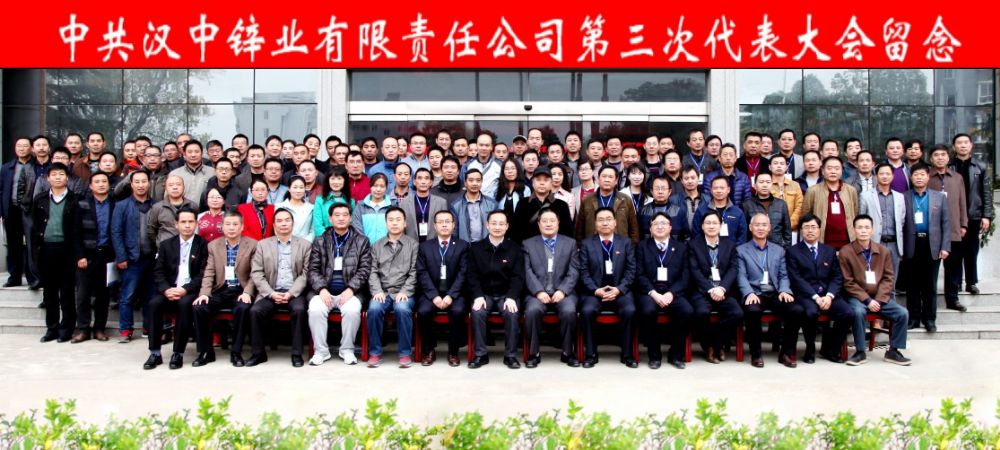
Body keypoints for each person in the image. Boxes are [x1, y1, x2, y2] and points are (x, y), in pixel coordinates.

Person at [839, 215, 912, 366]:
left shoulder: (883, 251)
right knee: (858, 312)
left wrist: (878, 300)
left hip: (879, 297)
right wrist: (867, 300)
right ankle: (860, 352)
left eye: (867, 227)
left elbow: (888, 278)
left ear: (872, 230)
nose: (863, 231)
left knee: (902, 313)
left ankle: (893, 351)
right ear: (854, 230)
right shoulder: (846, 252)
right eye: (860, 227)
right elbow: (848, 282)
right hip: (857, 297)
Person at [142, 207, 208, 370]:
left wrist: (185, 289)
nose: (187, 225)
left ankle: (178, 352)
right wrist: (166, 290)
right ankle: (155, 352)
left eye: (191, 222)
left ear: (196, 223)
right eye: (183, 222)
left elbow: (203, 273)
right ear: (176, 224)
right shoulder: (166, 245)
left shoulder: (203, 245)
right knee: (154, 304)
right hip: (170, 289)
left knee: (184, 305)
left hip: (190, 291)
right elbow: (158, 271)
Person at [735, 213, 804, 368]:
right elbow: (741, 276)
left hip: (775, 292)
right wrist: (749, 293)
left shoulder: (778, 250)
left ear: (769, 228)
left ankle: (786, 353)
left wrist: (784, 290)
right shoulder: (741, 250)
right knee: (752, 310)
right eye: (757, 225)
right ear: (750, 227)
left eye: (764, 225)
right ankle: (756, 354)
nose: (761, 228)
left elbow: (783, 275)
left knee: (797, 310)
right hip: (755, 292)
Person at [306, 203, 371, 366]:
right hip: (324, 291)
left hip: (351, 291)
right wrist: (321, 289)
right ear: (330, 218)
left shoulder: (361, 241)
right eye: (337, 215)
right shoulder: (320, 241)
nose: (341, 218)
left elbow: (364, 269)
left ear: (350, 218)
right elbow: (312, 269)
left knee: (352, 310)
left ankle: (347, 350)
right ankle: (321, 351)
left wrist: (351, 289)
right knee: (315, 309)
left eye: (345, 215)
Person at [785, 214, 855, 364]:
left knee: (847, 313)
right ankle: (810, 350)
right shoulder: (793, 251)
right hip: (806, 295)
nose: (810, 230)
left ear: (819, 229)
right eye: (806, 227)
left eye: (813, 227)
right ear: (801, 230)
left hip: (828, 294)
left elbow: (837, 276)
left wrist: (829, 296)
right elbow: (796, 278)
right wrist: (815, 297)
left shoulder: (829, 250)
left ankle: (832, 350)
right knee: (810, 313)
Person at [247, 208, 312, 367]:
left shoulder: (304, 245)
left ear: (293, 223)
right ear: (274, 224)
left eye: (287, 220)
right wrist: (270, 293)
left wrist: (291, 293)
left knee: (299, 310)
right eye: (279, 221)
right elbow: (257, 273)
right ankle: (258, 353)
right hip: (270, 291)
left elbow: (306, 273)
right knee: (255, 311)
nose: (283, 224)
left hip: (294, 293)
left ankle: (296, 354)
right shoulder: (263, 245)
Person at [193, 210, 257, 367]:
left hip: (240, 290)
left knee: (242, 308)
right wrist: (204, 293)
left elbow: (255, 273)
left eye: (235, 224)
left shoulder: (253, 244)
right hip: (220, 289)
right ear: (222, 226)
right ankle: (206, 352)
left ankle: (236, 352)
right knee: (199, 307)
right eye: (228, 224)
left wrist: (248, 292)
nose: (232, 228)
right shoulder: (214, 245)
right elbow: (209, 272)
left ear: (242, 227)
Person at [578, 207, 638, 368]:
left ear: (615, 222)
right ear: (595, 223)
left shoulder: (625, 243)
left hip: (620, 291)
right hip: (594, 292)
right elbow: (583, 272)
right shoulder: (586, 244)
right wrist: (595, 290)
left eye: (608, 219)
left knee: (630, 310)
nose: (605, 223)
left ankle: (627, 354)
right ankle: (591, 354)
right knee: (587, 311)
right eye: (601, 220)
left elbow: (631, 270)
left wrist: (619, 289)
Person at [522, 208, 581, 368]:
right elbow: (527, 270)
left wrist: (563, 290)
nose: (548, 224)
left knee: (569, 311)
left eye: (552, 221)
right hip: (537, 293)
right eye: (545, 221)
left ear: (558, 223)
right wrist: (538, 291)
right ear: (539, 224)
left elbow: (574, 270)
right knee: (532, 310)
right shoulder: (528, 244)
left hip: (563, 292)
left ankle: (567, 352)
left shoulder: (570, 243)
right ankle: (534, 353)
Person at [466, 210, 524, 369]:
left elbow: (518, 276)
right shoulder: (476, 248)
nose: (497, 227)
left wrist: (511, 297)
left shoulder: (515, 248)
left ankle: (510, 356)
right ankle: (480, 354)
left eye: (501, 224)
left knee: (512, 313)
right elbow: (471, 275)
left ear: (507, 226)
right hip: (484, 294)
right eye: (494, 223)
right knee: (477, 312)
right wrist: (478, 296)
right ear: (487, 225)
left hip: (506, 294)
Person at [635, 213, 692, 370]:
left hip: (672, 292)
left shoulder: (681, 247)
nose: (660, 226)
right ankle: (654, 355)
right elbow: (639, 274)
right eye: (656, 224)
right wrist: (653, 293)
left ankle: (676, 354)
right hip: (649, 292)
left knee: (686, 311)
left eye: (664, 223)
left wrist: (671, 293)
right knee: (648, 311)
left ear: (670, 227)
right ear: (650, 228)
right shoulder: (642, 247)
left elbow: (685, 276)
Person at [364, 207, 419, 368]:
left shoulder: (413, 245)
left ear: (405, 223)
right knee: (374, 309)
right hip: (383, 292)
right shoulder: (377, 245)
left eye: (398, 220)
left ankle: (405, 353)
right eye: (391, 220)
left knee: (402, 309)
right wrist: (377, 291)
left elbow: (415, 272)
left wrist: (405, 291)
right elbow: (372, 271)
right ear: (386, 223)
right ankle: (375, 352)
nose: (394, 223)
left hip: (404, 292)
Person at [687, 210, 744, 363]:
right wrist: (710, 289)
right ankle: (708, 346)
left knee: (737, 313)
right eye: (708, 223)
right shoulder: (693, 245)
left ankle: (716, 344)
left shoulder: (730, 245)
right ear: (702, 226)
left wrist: (722, 288)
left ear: (721, 225)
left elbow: (733, 269)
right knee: (701, 313)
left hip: (723, 290)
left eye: (715, 223)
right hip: (702, 291)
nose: (711, 226)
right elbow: (694, 271)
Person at [415, 210, 469, 367]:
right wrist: (434, 296)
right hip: (432, 293)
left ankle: (453, 351)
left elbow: (463, 273)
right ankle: (428, 350)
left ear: (453, 225)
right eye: (440, 222)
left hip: (455, 293)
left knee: (458, 311)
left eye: (448, 221)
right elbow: (422, 273)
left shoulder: (463, 246)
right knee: (423, 311)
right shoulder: (424, 247)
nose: (444, 225)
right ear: (434, 225)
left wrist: (451, 295)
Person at [33, 163, 80, 343]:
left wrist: (78, 254)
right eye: (54, 174)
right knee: (49, 293)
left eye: (61, 174)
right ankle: (51, 328)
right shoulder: (40, 199)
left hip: (66, 250)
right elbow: (35, 226)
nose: (58, 177)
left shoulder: (75, 199)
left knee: (67, 292)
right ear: (48, 178)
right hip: (46, 250)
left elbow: (77, 230)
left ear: (67, 178)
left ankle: (66, 329)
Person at [902, 163, 950, 332]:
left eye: (922, 174)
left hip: (932, 245)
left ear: (928, 177)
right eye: (916, 175)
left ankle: (929, 319)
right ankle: (913, 318)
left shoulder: (939, 197)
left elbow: (946, 223)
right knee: (912, 285)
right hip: (911, 245)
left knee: (930, 285)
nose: (919, 178)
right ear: (911, 178)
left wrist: (945, 247)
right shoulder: (904, 197)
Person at [111, 170, 155, 343]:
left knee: (150, 297)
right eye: (137, 182)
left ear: (149, 183)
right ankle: (125, 330)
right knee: (127, 296)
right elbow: (116, 232)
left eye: (144, 181)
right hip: (130, 258)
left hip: (151, 258)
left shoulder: (156, 205)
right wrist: (121, 257)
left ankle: (148, 327)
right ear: (131, 184)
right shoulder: (122, 205)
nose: (141, 185)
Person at [71, 171, 115, 343]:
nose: (101, 184)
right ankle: (83, 329)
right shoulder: (81, 204)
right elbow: (75, 232)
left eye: (104, 181)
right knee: (83, 295)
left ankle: (99, 329)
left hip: (107, 255)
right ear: (90, 186)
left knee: (103, 295)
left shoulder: (115, 205)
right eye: (97, 182)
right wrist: (79, 255)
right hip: (86, 256)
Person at [948, 133, 993, 295]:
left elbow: (986, 193)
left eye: (966, 142)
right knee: (955, 251)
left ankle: (971, 282)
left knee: (971, 250)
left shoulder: (980, 166)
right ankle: (956, 282)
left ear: (971, 145)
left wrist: (986, 215)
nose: (963, 145)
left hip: (973, 215)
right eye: (959, 143)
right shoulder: (949, 166)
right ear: (954, 147)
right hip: (954, 216)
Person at [927, 145, 969, 313]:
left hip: (953, 229)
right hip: (932, 232)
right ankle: (928, 301)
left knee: (953, 267)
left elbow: (962, 202)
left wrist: (963, 224)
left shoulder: (957, 178)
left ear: (948, 157)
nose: (940, 158)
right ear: (931, 159)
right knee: (931, 270)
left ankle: (952, 299)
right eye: (936, 155)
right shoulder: (926, 177)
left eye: (943, 155)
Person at [801, 157, 859, 249]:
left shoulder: (851, 190)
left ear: (842, 171)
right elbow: (805, 215)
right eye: (829, 168)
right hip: (822, 241)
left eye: (837, 168)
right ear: (823, 171)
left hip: (848, 241)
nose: (833, 171)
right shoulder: (813, 191)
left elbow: (855, 213)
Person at [0, 137, 35, 287]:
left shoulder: (36, 166)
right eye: (19, 146)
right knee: (13, 245)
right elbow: (1, 190)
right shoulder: (7, 167)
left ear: (31, 148)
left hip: (31, 211)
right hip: (12, 209)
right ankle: (14, 277)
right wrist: (2, 212)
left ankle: (32, 277)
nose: (21, 148)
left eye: (25, 146)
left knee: (32, 244)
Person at [575, 166, 640, 243]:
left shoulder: (625, 199)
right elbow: (579, 230)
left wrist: (632, 246)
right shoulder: (587, 200)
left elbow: (633, 229)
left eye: (610, 177)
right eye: (604, 176)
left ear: (616, 181)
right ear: (598, 179)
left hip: (620, 245)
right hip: (593, 245)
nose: (607, 180)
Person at [512, 168, 574, 241]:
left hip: (555, 246)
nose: (542, 183)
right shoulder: (523, 204)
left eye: (546, 180)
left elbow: (567, 233)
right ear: (533, 182)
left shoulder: (561, 205)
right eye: (538, 180)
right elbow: (516, 231)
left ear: (551, 183)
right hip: (528, 246)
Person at [692, 176, 748, 245]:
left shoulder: (737, 212)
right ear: (711, 190)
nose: (719, 191)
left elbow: (742, 236)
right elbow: (696, 234)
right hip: (706, 250)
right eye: (715, 188)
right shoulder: (701, 210)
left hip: (732, 250)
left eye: (722, 188)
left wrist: (734, 250)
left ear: (728, 190)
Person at [741, 172, 792, 248]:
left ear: (772, 184)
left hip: (778, 248)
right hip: (754, 248)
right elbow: (744, 232)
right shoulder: (747, 205)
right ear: (754, 185)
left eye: (768, 182)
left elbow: (787, 232)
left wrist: (785, 249)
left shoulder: (781, 204)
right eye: (761, 182)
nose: (765, 185)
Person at [148, 175, 197, 251]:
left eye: (178, 184)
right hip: (165, 250)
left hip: (189, 249)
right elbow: (151, 230)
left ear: (184, 187)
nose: (175, 187)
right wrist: (159, 242)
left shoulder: (192, 206)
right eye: (171, 185)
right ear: (165, 188)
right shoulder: (157, 207)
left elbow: (197, 227)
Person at [400, 168, 448, 243]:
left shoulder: (441, 202)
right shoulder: (404, 203)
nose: (423, 182)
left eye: (426, 178)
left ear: (431, 182)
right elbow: (401, 228)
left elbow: (445, 226)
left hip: (434, 244)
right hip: (411, 244)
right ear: (414, 182)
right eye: (419, 178)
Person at [451, 169, 497, 242]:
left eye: (478, 180)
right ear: (465, 183)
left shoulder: (492, 204)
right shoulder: (456, 205)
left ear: (481, 182)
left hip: (486, 246)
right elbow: (454, 230)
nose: (475, 183)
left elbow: (496, 227)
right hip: (464, 245)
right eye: (471, 180)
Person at [352, 173, 396, 244]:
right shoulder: (361, 206)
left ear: (386, 187)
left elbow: (396, 229)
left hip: (388, 248)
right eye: (375, 186)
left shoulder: (392, 206)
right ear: (370, 186)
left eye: (382, 186)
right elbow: (357, 229)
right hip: (365, 248)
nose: (378, 189)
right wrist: (365, 245)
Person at [312, 165, 354, 237]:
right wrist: (331, 239)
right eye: (332, 178)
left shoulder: (350, 201)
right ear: (328, 180)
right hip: (325, 240)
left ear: (344, 181)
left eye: (339, 178)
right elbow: (318, 226)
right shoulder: (320, 200)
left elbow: (352, 224)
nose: (336, 182)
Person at [169, 140, 215, 204]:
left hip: (205, 210)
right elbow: (168, 198)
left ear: (202, 154)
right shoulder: (174, 174)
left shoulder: (212, 172)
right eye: (190, 152)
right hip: (181, 210)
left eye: (196, 152)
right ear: (184, 155)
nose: (193, 155)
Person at [767, 154, 803, 233]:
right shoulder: (766, 185)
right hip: (771, 229)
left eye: (782, 163)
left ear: (786, 167)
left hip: (792, 229)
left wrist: (789, 224)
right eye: (775, 163)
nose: (779, 166)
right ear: (770, 167)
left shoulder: (795, 185)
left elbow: (799, 207)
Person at [275, 176, 315, 242]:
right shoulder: (279, 207)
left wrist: (304, 244)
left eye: (301, 187)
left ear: (305, 189)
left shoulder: (311, 208)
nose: (298, 191)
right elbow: (276, 229)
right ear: (289, 189)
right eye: (295, 187)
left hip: (306, 245)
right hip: (284, 244)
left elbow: (313, 231)